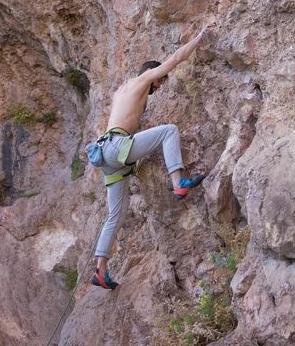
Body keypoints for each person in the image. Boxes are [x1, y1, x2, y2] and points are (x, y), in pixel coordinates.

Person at [91, 27, 212, 290]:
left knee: (116, 214)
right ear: (150, 74)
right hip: (117, 147)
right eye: (160, 81)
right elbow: (176, 58)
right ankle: (178, 181)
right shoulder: (144, 79)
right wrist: (200, 36)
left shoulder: (122, 90)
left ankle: (100, 270)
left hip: (106, 153)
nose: (159, 86)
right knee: (169, 131)